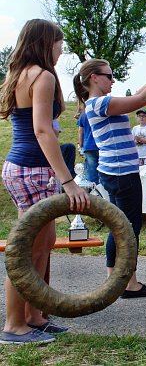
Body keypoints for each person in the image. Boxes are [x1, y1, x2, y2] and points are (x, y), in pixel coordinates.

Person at [0, 19, 90, 344]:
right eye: (58, 42)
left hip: (22, 167)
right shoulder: (43, 75)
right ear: (44, 42)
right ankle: (14, 326)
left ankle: (33, 315)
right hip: (32, 169)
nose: (61, 48)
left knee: (44, 242)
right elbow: (41, 130)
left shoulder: (21, 73)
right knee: (28, 250)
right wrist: (68, 181)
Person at [74, 58, 146, 299]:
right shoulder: (100, 103)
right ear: (94, 78)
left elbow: (139, 93)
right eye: (109, 76)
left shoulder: (97, 103)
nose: (113, 80)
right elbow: (142, 99)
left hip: (115, 172)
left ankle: (116, 280)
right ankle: (128, 284)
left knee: (119, 225)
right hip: (122, 173)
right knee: (129, 229)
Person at [77, 109, 100, 184]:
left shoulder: (84, 114)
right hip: (101, 145)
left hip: (88, 146)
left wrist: (81, 145)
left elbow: (80, 131)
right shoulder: (100, 111)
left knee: (91, 170)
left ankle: (91, 187)